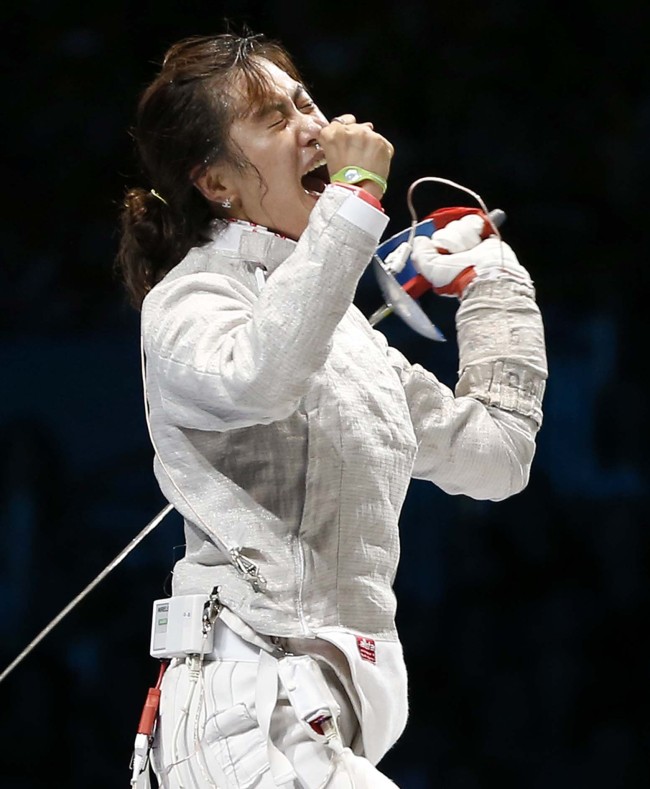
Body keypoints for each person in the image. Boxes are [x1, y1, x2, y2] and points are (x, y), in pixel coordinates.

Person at [116, 32, 547, 789]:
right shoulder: (191, 301)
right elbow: (263, 378)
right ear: (217, 182)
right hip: (246, 714)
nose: (313, 125)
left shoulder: (346, 338)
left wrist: (493, 285)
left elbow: (496, 457)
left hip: (330, 717)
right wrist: (353, 199)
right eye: (272, 117)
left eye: (304, 100)